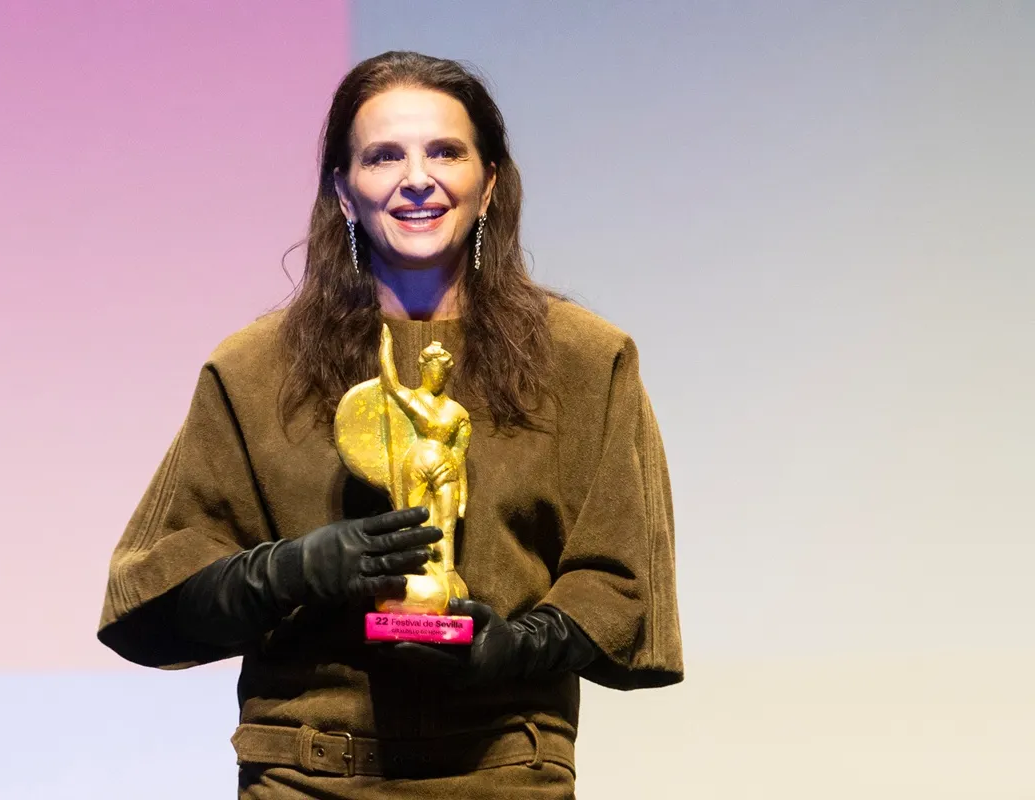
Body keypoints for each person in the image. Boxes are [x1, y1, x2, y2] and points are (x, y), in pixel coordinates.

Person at [97, 50, 683, 798]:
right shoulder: (255, 370)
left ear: (491, 181)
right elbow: (153, 600)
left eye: (445, 151)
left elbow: (618, 586)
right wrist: (292, 569)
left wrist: (517, 648)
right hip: (305, 775)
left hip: (501, 771)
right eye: (383, 156)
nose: (417, 178)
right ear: (343, 192)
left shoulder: (584, 361)